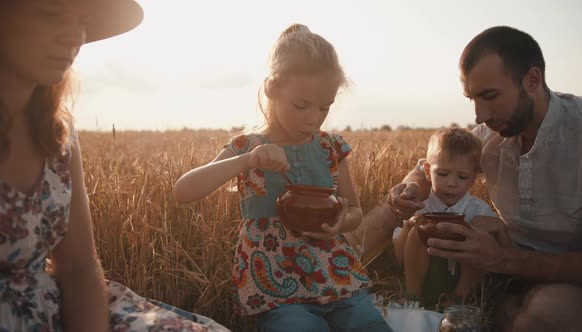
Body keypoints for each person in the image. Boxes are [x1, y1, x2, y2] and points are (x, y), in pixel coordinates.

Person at [0, 1, 228, 331]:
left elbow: (79, 267)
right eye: (51, 14)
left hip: (60, 309)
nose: (74, 36)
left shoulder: (57, 132)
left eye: (82, 21)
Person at [173, 24, 392, 332]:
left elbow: (355, 211)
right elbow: (183, 191)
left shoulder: (331, 148)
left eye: (324, 107)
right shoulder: (247, 147)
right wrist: (247, 161)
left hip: (335, 274)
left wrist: (342, 223)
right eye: (301, 105)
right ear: (272, 90)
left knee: (366, 325)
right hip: (278, 285)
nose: (314, 117)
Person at [363, 26, 582, 331]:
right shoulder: (490, 135)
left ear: (533, 80)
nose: (479, 115)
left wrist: (505, 260)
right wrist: (411, 186)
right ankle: (338, 274)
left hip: (560, 277)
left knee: (544, 313)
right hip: (496, 267)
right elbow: (432, 164)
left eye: (490, 96)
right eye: (472, 100)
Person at [392, 127, 499, 307]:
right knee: (419, 229)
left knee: (477, 235)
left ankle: (458, 298)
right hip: (426, 279)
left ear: (473, 178)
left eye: (462, 177)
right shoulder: (421, 206)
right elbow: (399, 259)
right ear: (427, 170)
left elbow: (492, 255)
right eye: (442, 174)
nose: (451, 183)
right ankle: (413, 297)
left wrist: (495, 228)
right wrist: (410, 227)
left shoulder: (478, 210)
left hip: (464, 281)